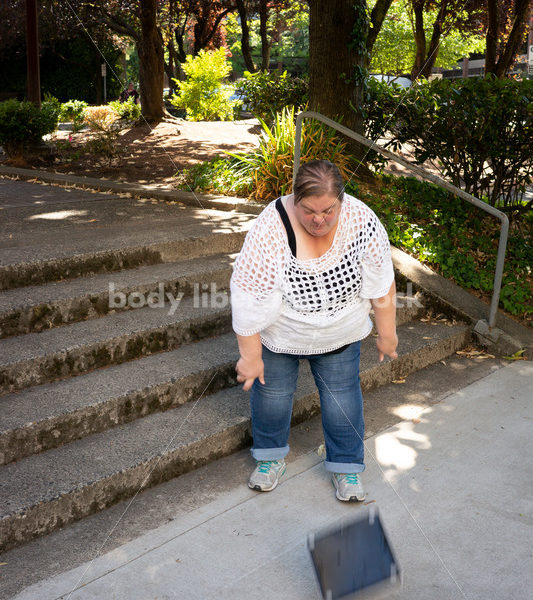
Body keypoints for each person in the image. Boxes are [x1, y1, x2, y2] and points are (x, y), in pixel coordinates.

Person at [230, 159, 398, 502]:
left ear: (342, 200)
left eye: (328, 210)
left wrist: (387, 332)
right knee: (272, 397)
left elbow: (381, 283)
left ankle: (347, 466)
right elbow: (248, 292)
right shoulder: (271, 227)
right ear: (294, 200)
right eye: (309, 211)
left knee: (342, 400)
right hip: (282, 331)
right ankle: (270, 459)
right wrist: (250, 356)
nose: (319, 219)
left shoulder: (361, 219)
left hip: (341, 328)